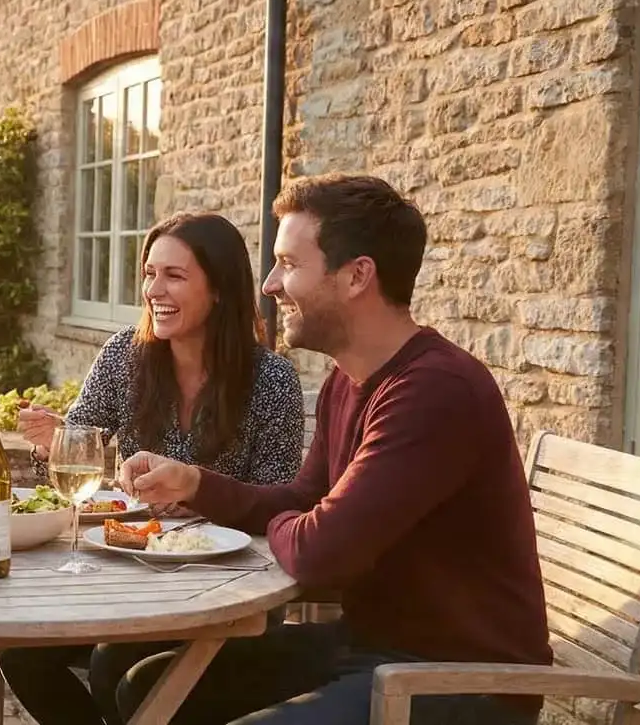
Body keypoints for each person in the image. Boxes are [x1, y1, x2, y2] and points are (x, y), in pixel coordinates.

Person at [115, 174, 551, 724]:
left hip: (460, 679)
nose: (270, 284)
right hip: (370, 647)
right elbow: (303, 499)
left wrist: (301, 521)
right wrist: (198, 485)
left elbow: (321, 552)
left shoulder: (435, 391)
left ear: (356, 276)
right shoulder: (349, 380)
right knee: (140, 685)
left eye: (289, 264)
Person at [0, 211, 306, 725]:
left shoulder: (271, 380)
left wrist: (193, 493)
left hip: (223, 587)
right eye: (149, 273)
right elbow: (76, 461)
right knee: (19, 654)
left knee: (114, 661)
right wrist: (55, 446)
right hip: (125, 574)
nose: (153, 289)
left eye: (175, 276)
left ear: (221, 290)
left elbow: (277, 503)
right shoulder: (125, 355)